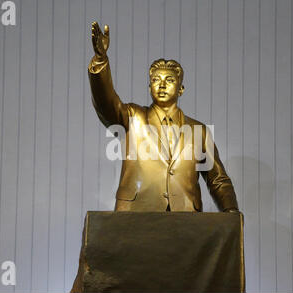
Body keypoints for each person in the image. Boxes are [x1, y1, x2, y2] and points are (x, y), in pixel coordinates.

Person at [89, 22, 238, 213]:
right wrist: (101, 60)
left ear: (181, 89)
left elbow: (217, 179)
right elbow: (105, 102)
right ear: (149, 86)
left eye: (169, 80)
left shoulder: (199, 131)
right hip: (136, 215)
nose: (161, 85)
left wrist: (231, 212)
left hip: (185, 220)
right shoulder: (132, 117)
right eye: (155, 80)